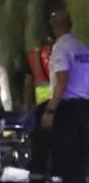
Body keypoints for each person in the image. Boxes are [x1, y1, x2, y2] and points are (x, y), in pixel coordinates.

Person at [41, 10, 89, 183]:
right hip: (85, 108)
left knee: (66, 161)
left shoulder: (60, 48)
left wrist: (50, 111)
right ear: (71, 24)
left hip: (67, 110)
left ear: (53, 27)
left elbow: (62, 80)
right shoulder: (82, 48)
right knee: (81, 162)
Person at [23, 40, 53, 182]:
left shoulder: (33, 56)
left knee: (40, 147)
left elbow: (28, 84)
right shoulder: (64, 53)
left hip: (41, 107)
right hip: (62, 106)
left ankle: (38, 175)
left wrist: (27, 107)